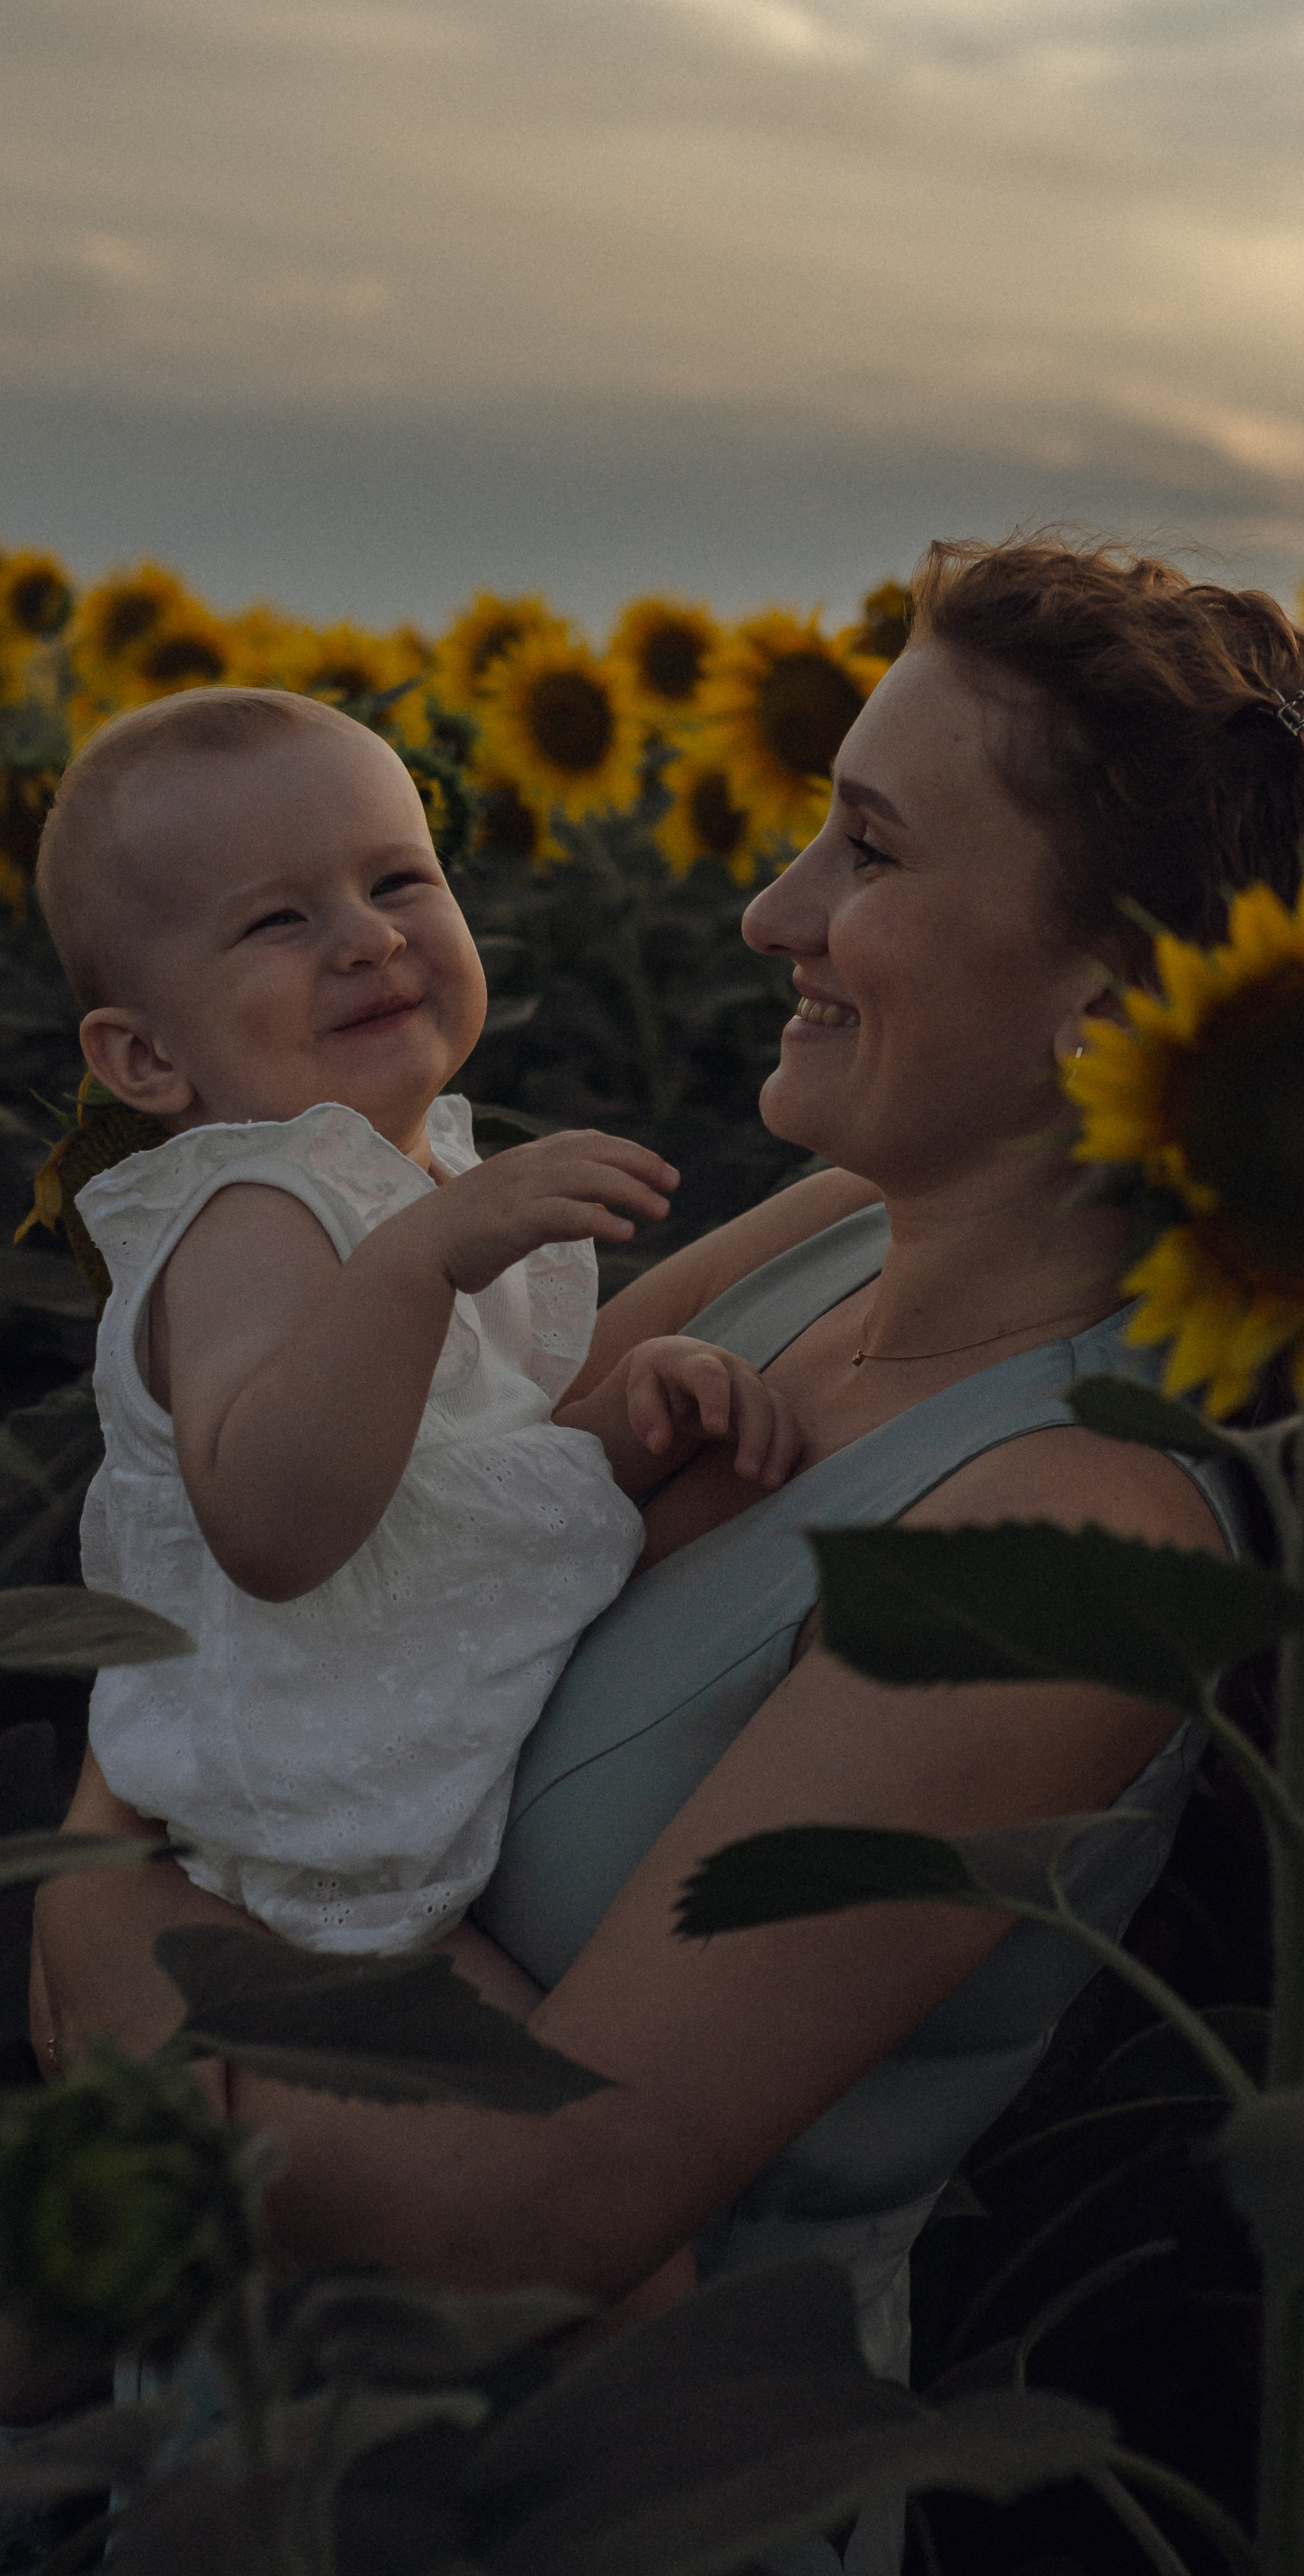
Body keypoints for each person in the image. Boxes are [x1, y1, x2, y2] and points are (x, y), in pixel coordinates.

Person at [35, 540, 1304, 2575]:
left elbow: (545, 2219)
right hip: (276, 2408)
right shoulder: (828, 1233)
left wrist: (108, 1927)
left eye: (871, 854)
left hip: (597, 2504)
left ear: (1109, 993)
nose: (770, 908)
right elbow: (337, 1586)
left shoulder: (1080, 1519)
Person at [31, 687, 803, 1968]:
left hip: (422, 1802)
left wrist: (633, 1410)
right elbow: (273, 1526)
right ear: (146, 1061)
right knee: (560, 2139)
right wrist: (423, 1259)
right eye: (280, 919)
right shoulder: (255, 1212)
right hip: (298, 1872)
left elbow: (456, 1469)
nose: (367, 939)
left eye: (399, 880)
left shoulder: (412, 1172)